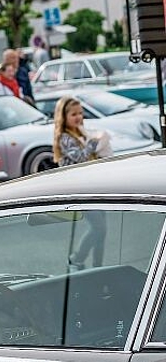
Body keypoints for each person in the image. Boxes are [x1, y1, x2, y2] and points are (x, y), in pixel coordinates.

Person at [53, 96, 109, 268]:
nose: (78, 117)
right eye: (73, 114)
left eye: (80, 113)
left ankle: (97, 266)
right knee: (98, 227)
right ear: (63, 117)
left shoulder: (81, 132)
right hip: (78, 189)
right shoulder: (64, 137)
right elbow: (80, 157)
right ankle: (77, 257)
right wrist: (95, 141)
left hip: (92, 186)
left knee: (102, 230)